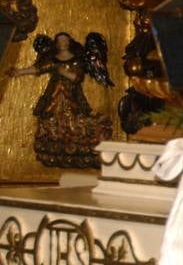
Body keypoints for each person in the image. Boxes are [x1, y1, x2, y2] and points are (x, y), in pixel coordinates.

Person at [7, 32, 113, 169]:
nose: (63, 43)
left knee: (76, 119)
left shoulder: (77, 60)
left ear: (69, 42)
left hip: (72, 96)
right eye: (60, 41)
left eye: (65, 40)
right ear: (56, 44)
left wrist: (66, 73)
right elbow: (38, 69)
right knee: (51, 119)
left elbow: (78, 77)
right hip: (55, 95)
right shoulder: (53, 60)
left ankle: (83, 146)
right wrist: (19, 72)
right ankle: (56, 146)